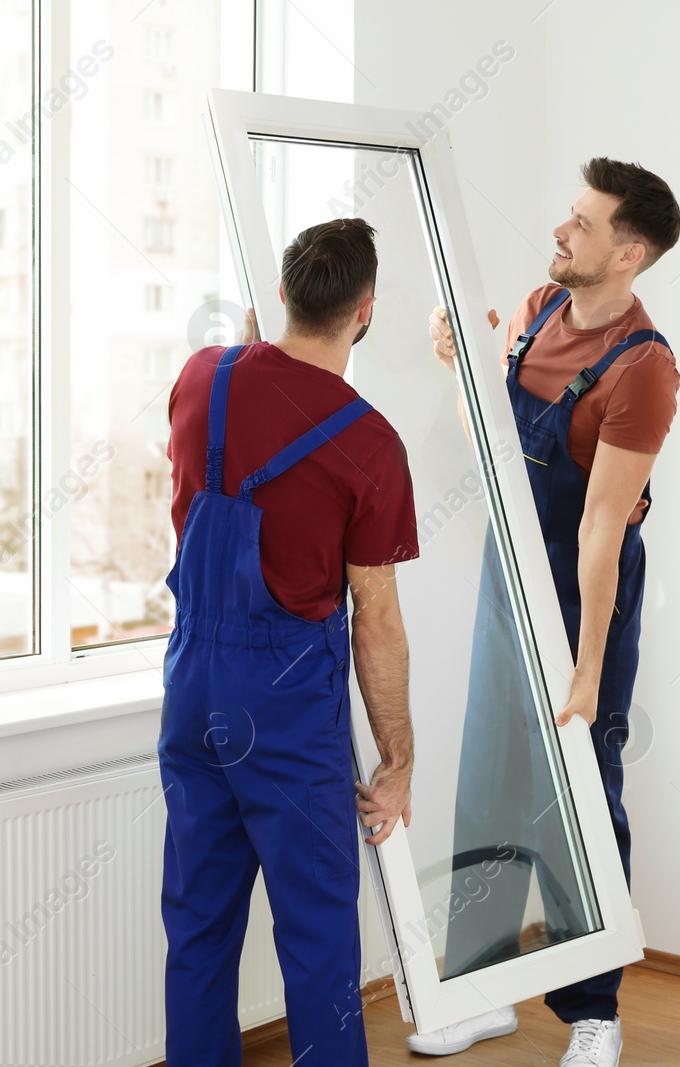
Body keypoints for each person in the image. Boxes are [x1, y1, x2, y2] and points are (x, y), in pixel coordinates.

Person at [409, 158, 680, 1067]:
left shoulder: (643, 370)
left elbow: (602, 530)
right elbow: (490, 444)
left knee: (581, 791)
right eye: (569, 216)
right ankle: (483, 986)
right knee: (491, 775)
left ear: (628, 252)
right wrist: (462, 366)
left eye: (583, 223)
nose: (562, 232)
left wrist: (590, 665)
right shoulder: (533, 311)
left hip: (582, 586)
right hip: (508, 569)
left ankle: (594, 1010)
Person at [159, 217, 417, 1067]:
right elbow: (374, 618)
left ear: (279, 296)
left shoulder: (205, 377)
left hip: (192, 687)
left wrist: (248, 350)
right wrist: (398, 756)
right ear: (366, 311)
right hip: (285, 707)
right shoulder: (371, 445)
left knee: (197, 927)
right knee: (317, 941)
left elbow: (225, 451)